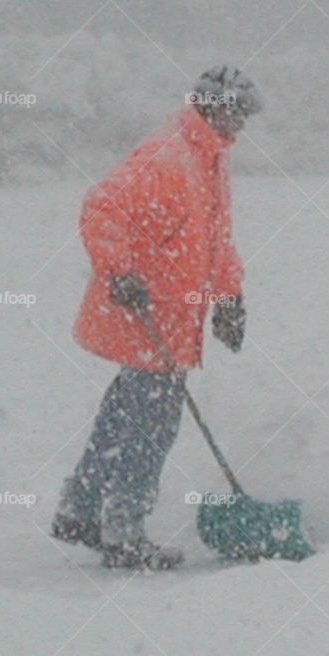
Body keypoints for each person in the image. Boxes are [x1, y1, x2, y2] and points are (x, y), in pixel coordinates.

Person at [51, 66, 263, 570]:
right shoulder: (168, 156)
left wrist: (229, 299)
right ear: (212, 107)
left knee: (125, 411)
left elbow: (217, 240)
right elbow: (101, 206)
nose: (243, 125)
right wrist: (120, 272)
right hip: (146, 314)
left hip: (171, 318)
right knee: (152, 423)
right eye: (237, 112)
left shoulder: (209, 160)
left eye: (246, 116)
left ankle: (81, 509)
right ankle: (123, 531)